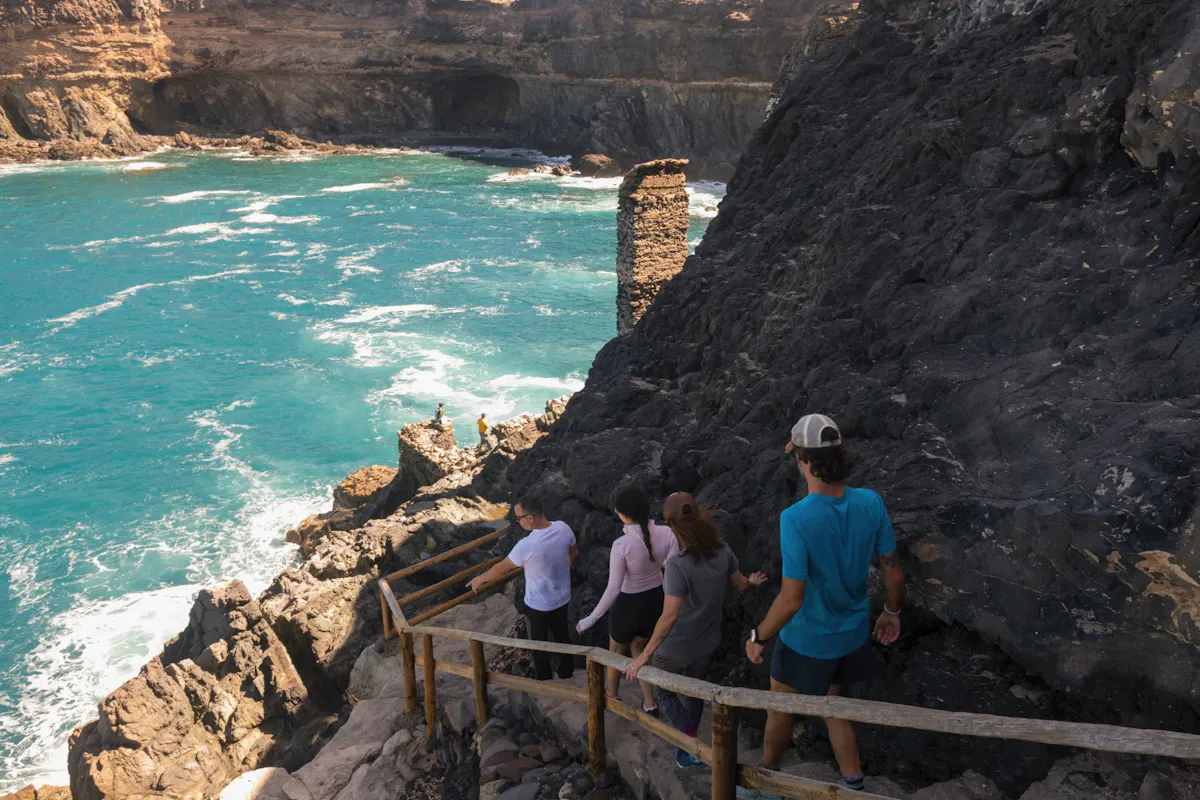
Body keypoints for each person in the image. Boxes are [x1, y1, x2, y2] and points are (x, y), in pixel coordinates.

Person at [741, 414, 904, 795]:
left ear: (802, 460)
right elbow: (893, 573)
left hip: (807, 639)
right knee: (834, 705)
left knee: (779, 707)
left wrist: (757, 635)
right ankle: (854, 782)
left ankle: (768, 783)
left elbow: (791, 599)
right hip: (851, 635)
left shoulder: (795, 518)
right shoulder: (871, 502)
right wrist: (892, 612)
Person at [624, 491, 767, 768]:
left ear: (672, 526)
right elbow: (739, 584)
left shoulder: (678, 565)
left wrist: (644, 656)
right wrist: (753, 582)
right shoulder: (722, 549)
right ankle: (691, 750)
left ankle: (690, 743)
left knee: (662, 688)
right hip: (708, 641)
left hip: (677, 646)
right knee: (694, 690)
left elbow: (669, 616)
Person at [576, 485, 679, 715]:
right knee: (640, 650)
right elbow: (670, 569)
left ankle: (612, 695)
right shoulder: (667, 533)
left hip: (628, 606)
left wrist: (590, 620)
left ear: (621, 514)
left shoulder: (621, 545)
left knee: (615, 652)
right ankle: (650, 703)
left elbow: (613, 588)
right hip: (655, 602)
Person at [468, 495, 578, 680]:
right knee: (562, 637)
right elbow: (574, 553)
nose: (517, 522)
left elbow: (502, 568)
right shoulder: (563, 528)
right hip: (562, 598)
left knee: (538, 644)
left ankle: (544, 679)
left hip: (538, 605)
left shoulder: (527, 545)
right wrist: (569, 564)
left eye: (518, 518)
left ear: (530, 518)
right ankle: (566, 673)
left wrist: (480, 579)